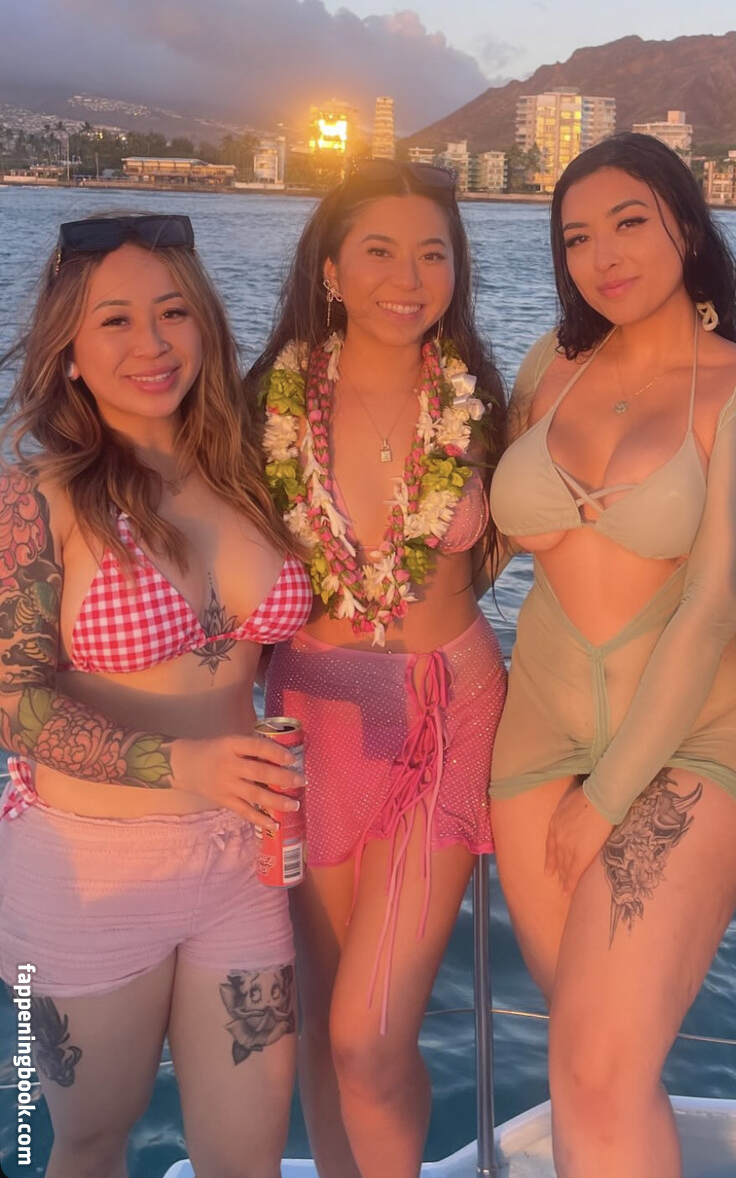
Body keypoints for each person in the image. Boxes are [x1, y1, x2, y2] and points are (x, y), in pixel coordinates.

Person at [488, 132, 736, 1178]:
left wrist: (608, 797)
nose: (603, 255)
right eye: (576, 237)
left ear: (688, 228)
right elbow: (481, 539)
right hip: (537, 734)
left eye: (629, 222)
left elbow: (711, 610)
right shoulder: (549, 365)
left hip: (695, 737)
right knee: (589, 1051)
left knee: (596, 1067)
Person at [0, 212, 311, 1178]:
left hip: (244, 859)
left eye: (174, 312)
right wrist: (185, 762)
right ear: (69, 352)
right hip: (90, 870)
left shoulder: (254, 474)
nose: (152, 343)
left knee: (248, 1159)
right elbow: (12, 703)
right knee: (91, 1142)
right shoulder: (36, 499)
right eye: (116, 321)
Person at [254, 161, 507, 1178]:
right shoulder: (260, 404)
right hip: (311, 718)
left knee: (369, 1032)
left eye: (433, 254)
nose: (409, 278)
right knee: (323, 1017)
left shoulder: (485, 403)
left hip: (447, 712)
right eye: (379, 251)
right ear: (330, 270)